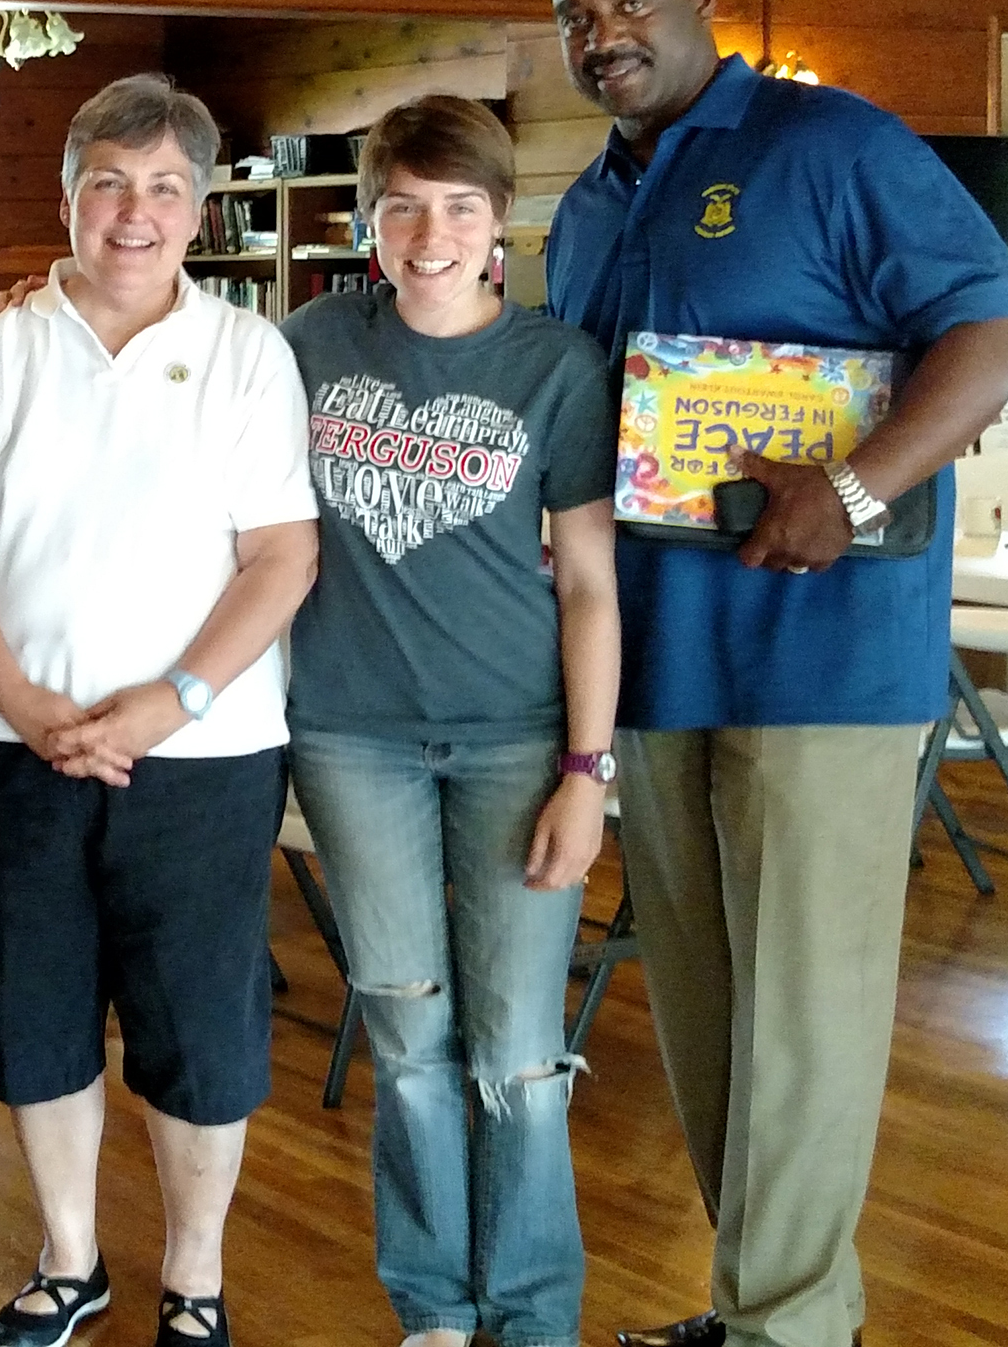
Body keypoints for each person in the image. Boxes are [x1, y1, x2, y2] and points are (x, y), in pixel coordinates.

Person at [545, 0, 1008, 1347]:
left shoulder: (836, 146)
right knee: (705, 1013)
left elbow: (999, 333)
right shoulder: (589, 199)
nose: (604, 36)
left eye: (630, 3)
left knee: (805, 1018)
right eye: (579, 18)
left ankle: (787, 1330)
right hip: (661, 653)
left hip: (825, 655)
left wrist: (854, 480)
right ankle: (765, 1305)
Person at [0, 73, 319, 1347]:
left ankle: (193, 1276)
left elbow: (282, 558)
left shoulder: (253, 353)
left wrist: (168, 700)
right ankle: (72, 1256)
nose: (133, 213)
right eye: (109, 182)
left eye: (163, 189)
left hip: (203, 755)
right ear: (68, 193)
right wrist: (29, 704)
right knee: (34, 1014)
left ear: (200, 208)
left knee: (199, 1027)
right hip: (2, 745)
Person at [280, 95, 621, 1347]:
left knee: (521, 1049)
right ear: (368, 218)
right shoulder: (307, 342)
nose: (431, 233)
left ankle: (530, 1315)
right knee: (410, 1030)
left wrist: (588, 771)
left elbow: (588, 581)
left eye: (460, 207)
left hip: (518, 738)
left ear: (501, 226)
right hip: (350, 734)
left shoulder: (556, 364)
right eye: (405, 205)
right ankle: (432, 1303)